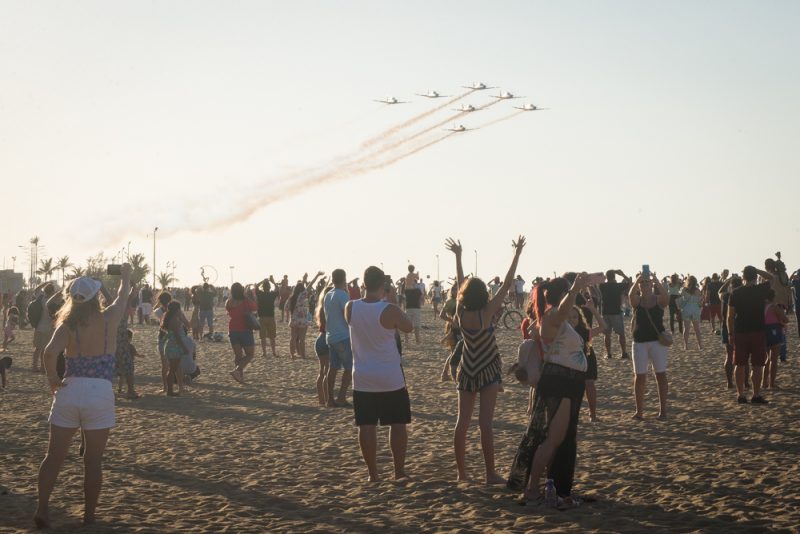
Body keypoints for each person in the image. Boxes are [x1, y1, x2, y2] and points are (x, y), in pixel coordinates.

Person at [36, 264, 131, 528]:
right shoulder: (109, 318)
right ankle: (89, 515)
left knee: (53, 456)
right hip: (99, 391)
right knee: (92, 460)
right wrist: (125, 276)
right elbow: (124, 296)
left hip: (69, 389)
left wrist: (52, 379)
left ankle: (42, 507)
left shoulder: (66, 325)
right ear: (95, 296)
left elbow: (49, 353)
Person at [447, 235, 525, 484]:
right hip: (488, 368)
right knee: (485, 424)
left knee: (462, 423)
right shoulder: (487, 311)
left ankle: (462, 473)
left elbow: (461, 283)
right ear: (483, 295)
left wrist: (458, 256)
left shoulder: (461, 312)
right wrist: (517, 254)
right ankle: (490, 474)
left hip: (467, 367)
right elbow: (508, 283)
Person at [507, 274, 590, 504]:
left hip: (569, 382)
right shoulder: (554, 315)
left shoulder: (556, 319)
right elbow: (563, 310)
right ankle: (532, 488)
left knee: (559, 438)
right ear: (562, 296)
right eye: (568, 294)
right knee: (553, 438)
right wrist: (575, 288)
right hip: (560, 382)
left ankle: (551, 486)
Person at [345, 266, 414, 482]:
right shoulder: (389, 309)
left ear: (364, 284)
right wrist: (391, 297)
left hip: (363, 375)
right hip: (389, 375)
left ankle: (373, 474)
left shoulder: (350, 307)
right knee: (398, 423)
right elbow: (408, 327)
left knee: (366, 425)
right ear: (383, 285)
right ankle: (399, 471)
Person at [728, 265, 773, 404]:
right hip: (758, 331)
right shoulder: (760, 289)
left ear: (743, 277)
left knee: (740, 364)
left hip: (741, 331)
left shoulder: (736, 293)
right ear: (755, 277)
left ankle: (740, 395)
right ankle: (756, 394)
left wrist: (730, 333)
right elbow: (771, 277)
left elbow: (730, 316)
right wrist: (758, 270)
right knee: (757, 365)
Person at [629, 272, 670, 420]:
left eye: (647, 282)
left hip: (657, 342)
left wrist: (657, 281)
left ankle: (663, 410)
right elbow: (630, 297)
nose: (645, 285)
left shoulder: (658, 300)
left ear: (651, 284)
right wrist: (637, 280)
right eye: (642, 283)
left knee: (660, 374)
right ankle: (639, 411)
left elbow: (667, 299)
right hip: (639, 342)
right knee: (639, 376)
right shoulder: (637, 301)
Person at [324, 269, 353, 407]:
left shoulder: (328, 295)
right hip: (343, 335)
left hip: (331, 335)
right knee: (349, 368)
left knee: (333, 368)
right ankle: (341, 396)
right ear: (344, 278)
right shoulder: (342, 295)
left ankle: (330, 398)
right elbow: (347, 315)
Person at [226, 282, 258, 384]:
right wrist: (246, 296)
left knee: (238, 355)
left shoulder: (229, 302)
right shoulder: (246, 301)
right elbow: (255, 307)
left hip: (233, 330)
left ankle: (240, 376)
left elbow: (228, 309)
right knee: (249, 354)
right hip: (245, 330)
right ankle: (238, 370)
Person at [288, 272, 323, 359]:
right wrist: (317, 275)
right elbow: (311, 285)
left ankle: (292, 354)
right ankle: (303, 355)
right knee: (302, 339)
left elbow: (287, 308)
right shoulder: (303, 295)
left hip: (294, 319)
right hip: (302, 320)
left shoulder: (291, 298)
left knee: (293, 338)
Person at [599, 270, 632, 359]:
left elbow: (598, 282)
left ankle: (609, 353)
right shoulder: (618, 286)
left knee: (607, 335)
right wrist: (622, 274)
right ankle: (624, 353)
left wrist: (603, 277)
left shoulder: (602, 286)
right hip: (616, 312)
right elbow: (630, 283)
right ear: (614, 277)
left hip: (605, 313)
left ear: (607, 277)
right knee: (621, 334)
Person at [115, 286, 140, 399]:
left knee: (112, 368)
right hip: (122, 344)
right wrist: (131, 293)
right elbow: (127, 301)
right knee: (128, 367)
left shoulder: (109, 312)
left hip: (111, 344)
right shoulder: (119, 312)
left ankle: (122, 391)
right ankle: (130, 390)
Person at [719, 276, 743, 388]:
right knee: (743, 355)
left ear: (731, 286)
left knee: (729, 355)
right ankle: (746, 382)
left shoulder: (725, 296)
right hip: (739, 326)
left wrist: (727, 281)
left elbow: (720, 291)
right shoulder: (742, 296)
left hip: (726, 327)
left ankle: (729, 382)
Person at [762, 290, 788, 390]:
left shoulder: (761, 307)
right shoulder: (774, 307)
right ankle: (771, 383)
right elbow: (785, 319)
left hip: (763, 332)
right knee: (774, 360)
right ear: (773, 297)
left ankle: (763, 383)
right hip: (774, 332)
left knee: (766, 359)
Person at [31, 283, 57, 373]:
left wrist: (44, 284)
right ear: (53, 291)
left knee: (38, 348)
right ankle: (42, 367)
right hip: (50, 328)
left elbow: (36, 290)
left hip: (40, 327)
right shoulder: (55, 300)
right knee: (45, 348)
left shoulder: (41, 298)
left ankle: (34, 366)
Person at [315, 286, 333, 406]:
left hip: (320, 338)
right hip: (328, 338)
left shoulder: (320, 308)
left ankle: (321, 400)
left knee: (321, 371)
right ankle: (327, 399)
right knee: (328, 371)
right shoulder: (331, 309)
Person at [255, 278, 279, 358]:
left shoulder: (260, 294)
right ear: (269, 287)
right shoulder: (271, 295)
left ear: (263, 287)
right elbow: (277, 289)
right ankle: (273, 352)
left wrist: (263, 281)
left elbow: (256, 287)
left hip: (261, 317)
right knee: (272, 337)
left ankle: (264, 353)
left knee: (263, 337)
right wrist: (272, 281)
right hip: (270, 317)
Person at [678, 276, 704, 350]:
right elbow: (700, 303)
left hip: (686, 309)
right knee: (697, 329)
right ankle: (700, 345)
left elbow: (681, 299)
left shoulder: (683, 290)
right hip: (695, 310)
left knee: (686, 329)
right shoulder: (698, 291)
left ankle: (685, 345)